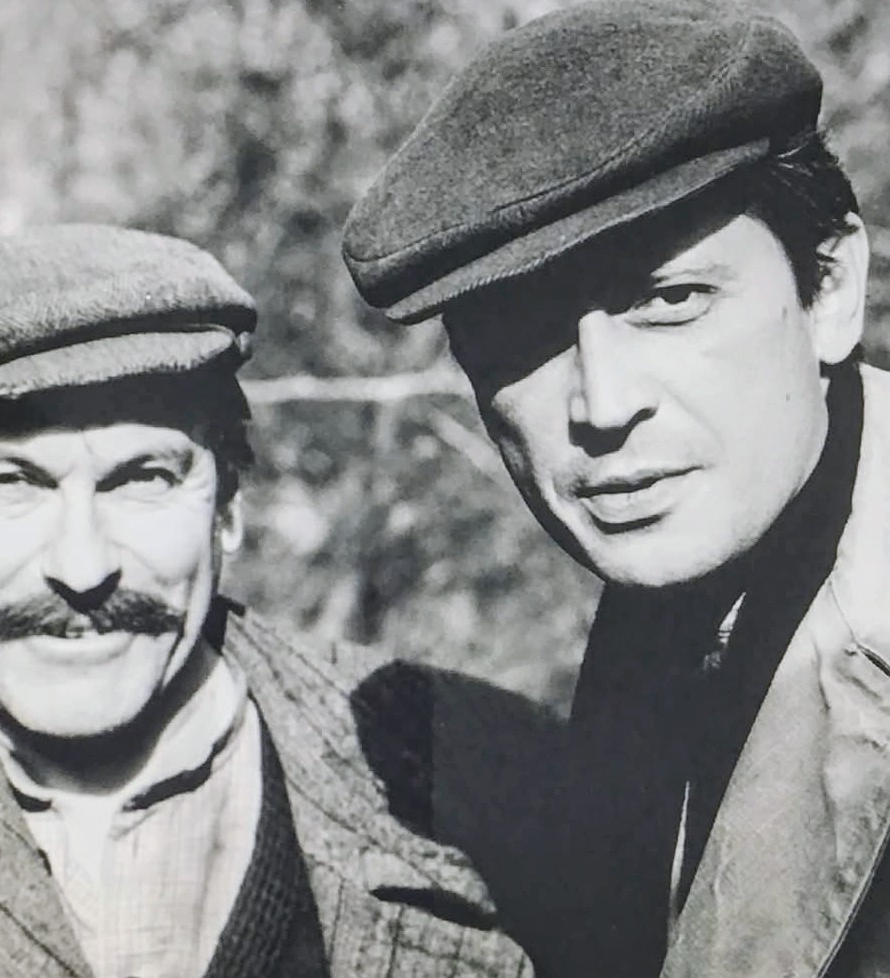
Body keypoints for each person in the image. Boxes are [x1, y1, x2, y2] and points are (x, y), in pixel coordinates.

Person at [0, 224, 529, 978]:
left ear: (228, 510)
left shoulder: (479, 778)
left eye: (144, 478)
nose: (84, 568)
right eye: (12, 483)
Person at [342, 2, 890, 976]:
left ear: (831, 288)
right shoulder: (681, 601)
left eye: (671, 301)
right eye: (523, 335)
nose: (602, 405)